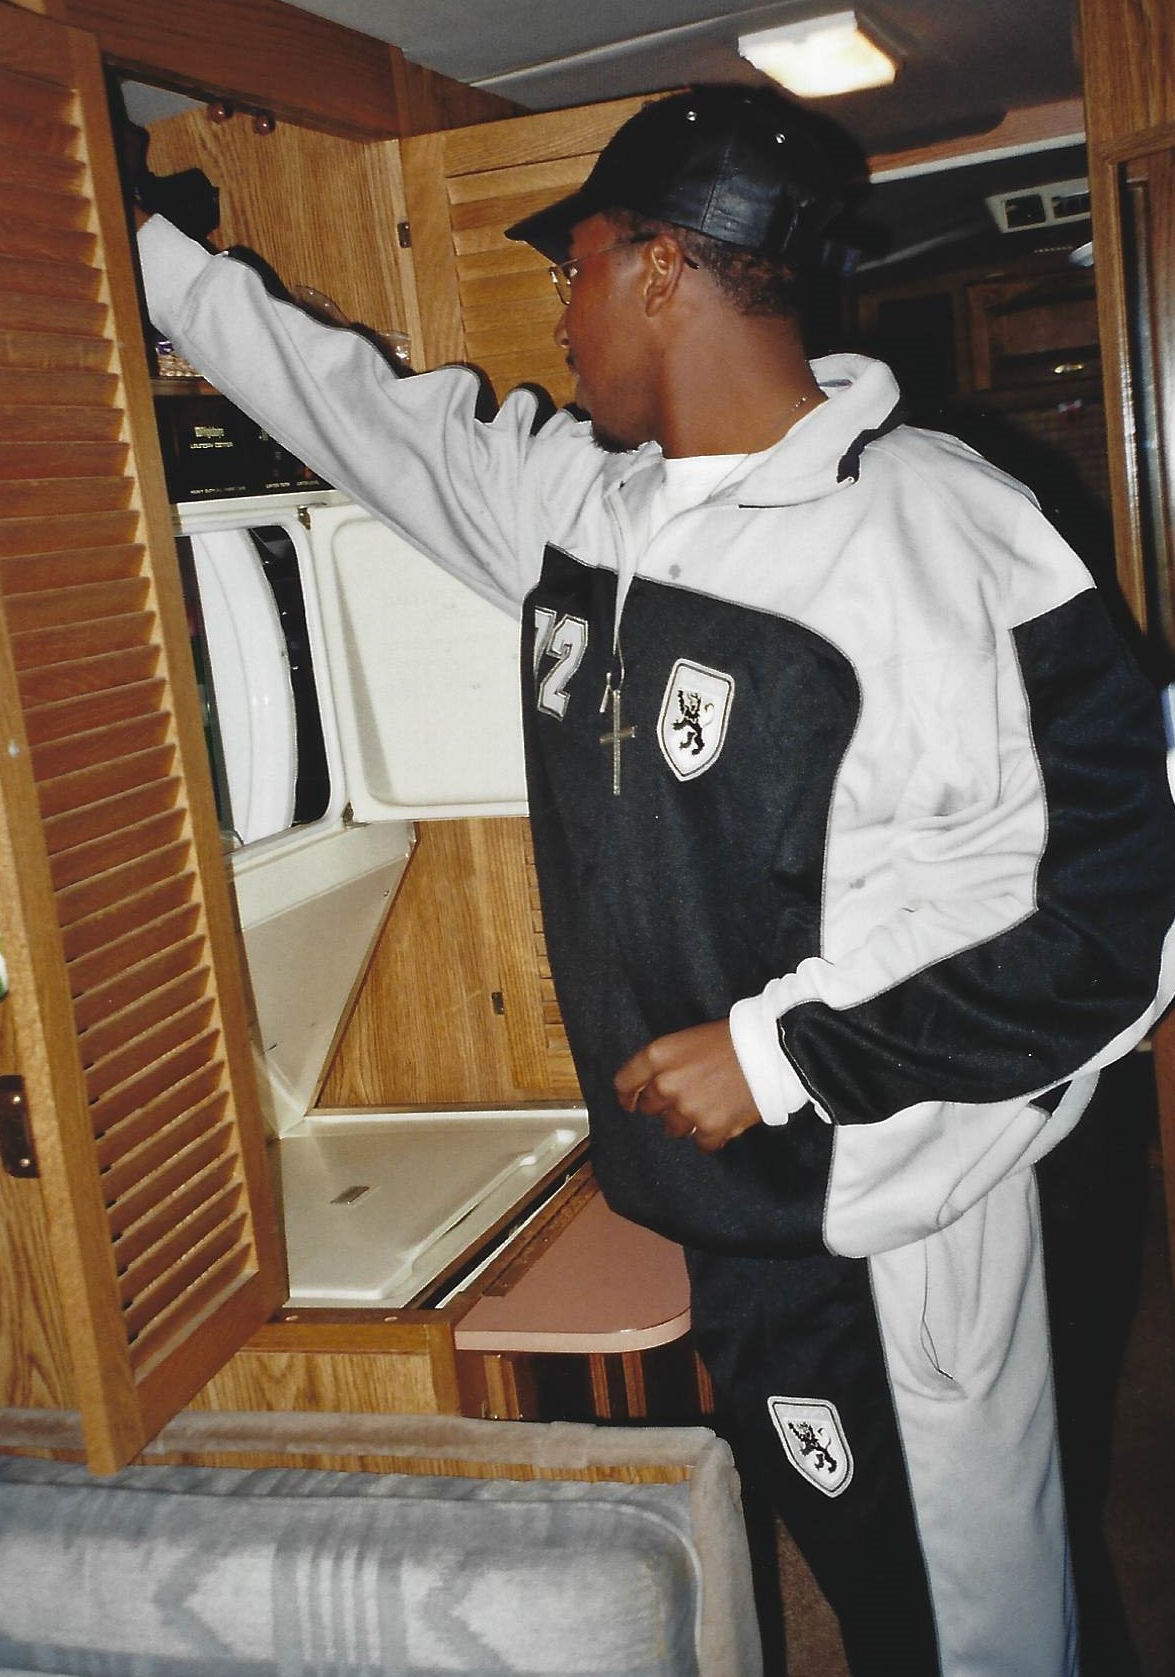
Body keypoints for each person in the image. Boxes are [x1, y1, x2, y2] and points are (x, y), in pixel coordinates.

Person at [135, 85, 1175, 1677]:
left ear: (667, 270)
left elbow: (1115, 924)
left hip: (903, 1232)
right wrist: (140, 251)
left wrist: (785, 1054)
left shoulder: (947, 542)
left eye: (579, 267)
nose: (561, 312)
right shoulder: (584, 515)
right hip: (731, 1221)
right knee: (870, 1580)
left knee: (975, 1625)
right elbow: (360, 413)